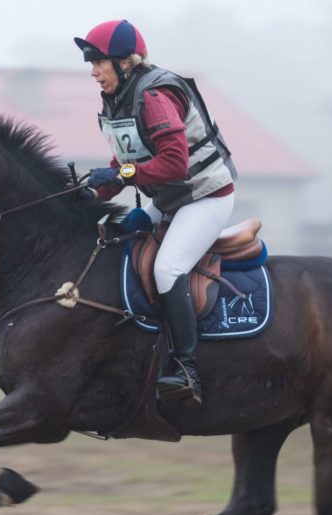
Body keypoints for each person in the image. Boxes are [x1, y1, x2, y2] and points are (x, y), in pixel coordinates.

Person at [74, 19, 237, 407]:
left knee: (167, 269)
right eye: (91, 64)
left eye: (100, 63)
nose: (94, 72)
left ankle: (186, 368)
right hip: (170, 200)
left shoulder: (154, 97)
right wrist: (93, 189)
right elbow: (125, 162)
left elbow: (174, 164)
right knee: (120, 243)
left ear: (126, 62)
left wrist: (122, 174)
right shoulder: (118, 99)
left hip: (206, 196)